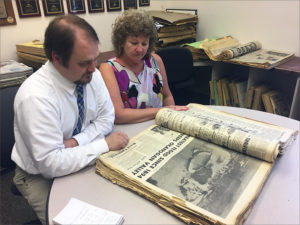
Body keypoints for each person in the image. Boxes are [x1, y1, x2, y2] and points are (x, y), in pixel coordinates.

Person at [11, 15, 129, 225]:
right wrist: (103, 144)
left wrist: (75, 142)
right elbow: (51, 163)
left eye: (96, 58)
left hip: (82, 153)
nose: (94, 67)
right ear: (57, 58)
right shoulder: (35, 97)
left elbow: (106, 119)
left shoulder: (90, 73)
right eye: (84, 62)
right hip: (38, 175)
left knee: (120, 203)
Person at [100, 10, 188, 124]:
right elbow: (119, 115)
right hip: (128, 130)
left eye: (144, 44)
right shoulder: (108, 68)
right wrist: (161, 111)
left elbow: (167, 96)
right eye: (134, 43)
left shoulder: (156, 61)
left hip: (158, 126)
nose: (140, 49)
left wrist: (170, 117)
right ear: (121, 42)